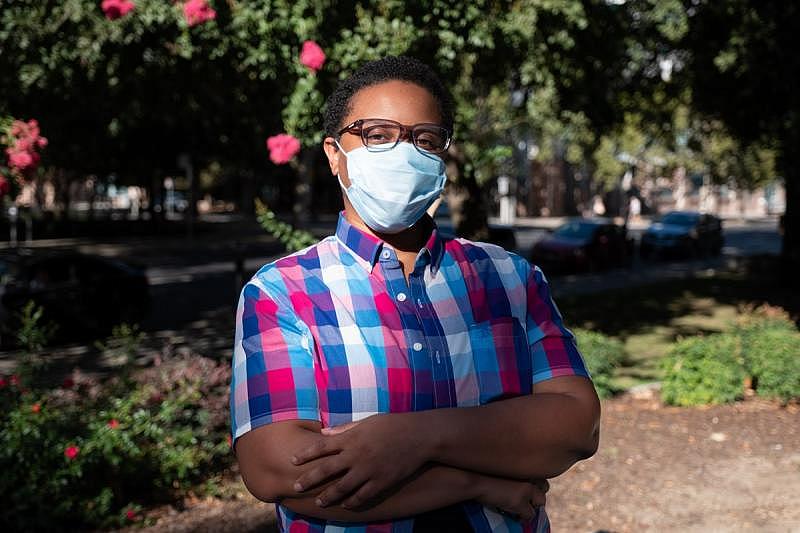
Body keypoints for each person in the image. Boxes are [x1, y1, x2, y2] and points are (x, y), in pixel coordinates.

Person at [230, 56, 600, 533]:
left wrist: (414, 436)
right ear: (333, 153)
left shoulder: (510, 277)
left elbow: (576, 425)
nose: (403, 154)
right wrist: (474, 482)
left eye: (424, 139)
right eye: (377, 135)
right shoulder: (283, 292)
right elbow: (278, 470)